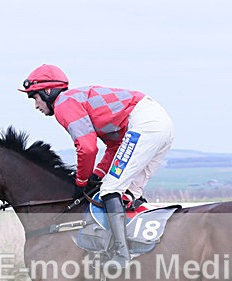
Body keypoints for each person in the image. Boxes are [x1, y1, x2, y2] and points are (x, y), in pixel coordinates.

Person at [20, 64, 174, 267]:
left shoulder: (64, 105)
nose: (36, 105)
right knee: (128, 192)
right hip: (158, 124)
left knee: (111, 190)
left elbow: (87, 147)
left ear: (48, 92)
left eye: (35, 97)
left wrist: (81, 180)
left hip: (145, 124)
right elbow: (115, 145)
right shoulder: (75, 100)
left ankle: (121, 255)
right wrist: (97, 174)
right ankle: (139, 249)